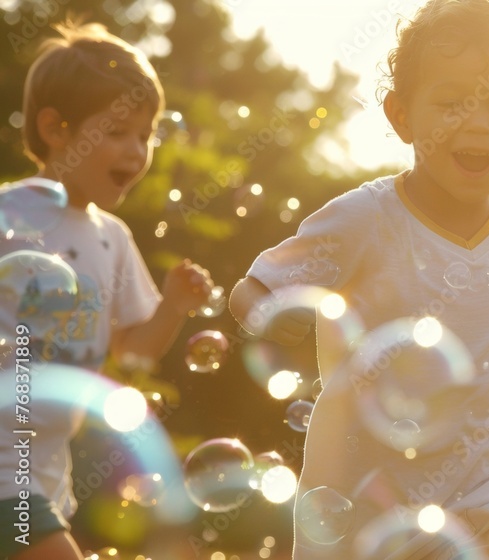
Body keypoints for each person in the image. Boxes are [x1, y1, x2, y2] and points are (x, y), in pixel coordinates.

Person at [229, 1, 489, 557]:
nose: (478, 123)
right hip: (364, 505)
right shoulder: (366, 218)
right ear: (401, 115)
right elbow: (256, 288)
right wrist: (270, 317)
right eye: (453, 102)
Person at [0, 22, 213, 560]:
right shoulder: (9, 216)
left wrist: (175, 307)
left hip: (47, 473)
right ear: (55, 129)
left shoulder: (112, 238)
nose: (137, 150)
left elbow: (132, 350)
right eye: (117, 131)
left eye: (146, 134)